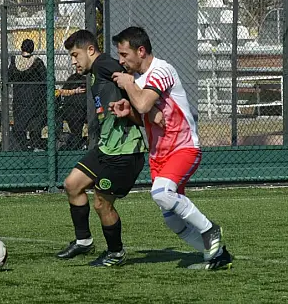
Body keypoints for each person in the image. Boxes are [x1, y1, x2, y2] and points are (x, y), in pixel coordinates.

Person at [109, 26, 233, 270]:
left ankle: (210, 229)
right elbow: (143, 112)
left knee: (162, 193)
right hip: (159, 155)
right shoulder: (139, 81)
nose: (121, 60)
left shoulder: (161, 70)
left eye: (124, 54)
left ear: (141, 51)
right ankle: (217, 256)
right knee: (172, 220)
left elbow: (144, 103)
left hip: (183, 147)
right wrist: (127, 111)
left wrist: (128, 85)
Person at [56, 29, 147, 267]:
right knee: (72, 184)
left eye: (76, 55)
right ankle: (84, 241)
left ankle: (116, 253)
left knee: (101, 203)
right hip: (106, 148)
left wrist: (133, 97)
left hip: (125, 151)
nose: (74, 61)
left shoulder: (104, 63)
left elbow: (130, 77)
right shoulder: (97, 71)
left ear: (90, 50)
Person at [9, 39, 47, 151]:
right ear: (32, 49)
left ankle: (23, 148)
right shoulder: (37, 62)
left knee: (19, 125)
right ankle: (34, 146)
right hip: (35, 100)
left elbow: (8, 77)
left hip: (19, 99)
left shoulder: (14, 61)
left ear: (21, 48)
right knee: (35, 124)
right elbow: (46, 79)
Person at [56, 72, 87, 150]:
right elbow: (62, 91)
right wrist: (75, 91)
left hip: (84, 108)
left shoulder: (91, 78)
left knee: (77, 116)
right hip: (71, 108)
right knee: (70, 114)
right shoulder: (73, 77)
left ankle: (79, 143)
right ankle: (62, 139)